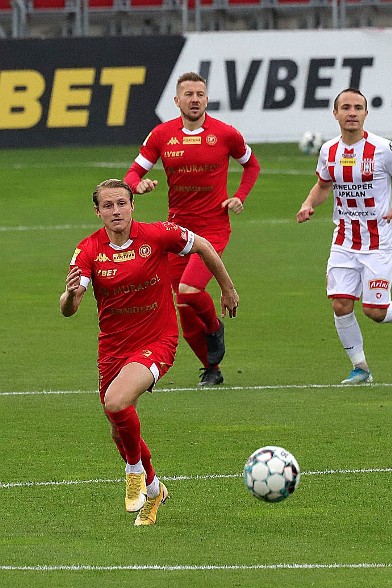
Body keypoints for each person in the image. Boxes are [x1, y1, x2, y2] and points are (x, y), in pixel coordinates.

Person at [60, 179, 239, 525]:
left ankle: (133, 475)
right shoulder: (87, 250)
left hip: (157, 340)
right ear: (97, 212)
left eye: (122, 204)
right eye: (108, 206)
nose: (116, 211)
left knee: (115, 402)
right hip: (113, 347)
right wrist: (70, 297)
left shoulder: (157, 235)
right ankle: (155, 490)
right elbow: (68, 308)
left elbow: (203, 246)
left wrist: (227, 288)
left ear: (132, 206)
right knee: (118, 428)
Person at [124, 71, 260, 387]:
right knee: (184, 308)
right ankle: (211, 368)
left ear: (206, 99)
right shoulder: (161, 135)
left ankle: (214, 327)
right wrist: (137, 185)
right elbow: (133, 172)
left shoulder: (226, 134)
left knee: (189, 290)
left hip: (213, 228)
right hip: (177, 232)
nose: (195, 99)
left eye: (200, 94)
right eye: (189, 94)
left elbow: (251, 165)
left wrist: (239, 196)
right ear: (177, 100)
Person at [297, 88, 392, 384]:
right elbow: (324, 186)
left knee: (375, 311)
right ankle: (361, 368)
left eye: (358, 107)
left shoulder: (383, 148)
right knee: (341, 304)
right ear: (335, 113)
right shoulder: (329, 150)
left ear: (366, 113)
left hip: (378, 241)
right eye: (346, 107)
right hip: (343, 240)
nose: (352, 112)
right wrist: (307, 203)